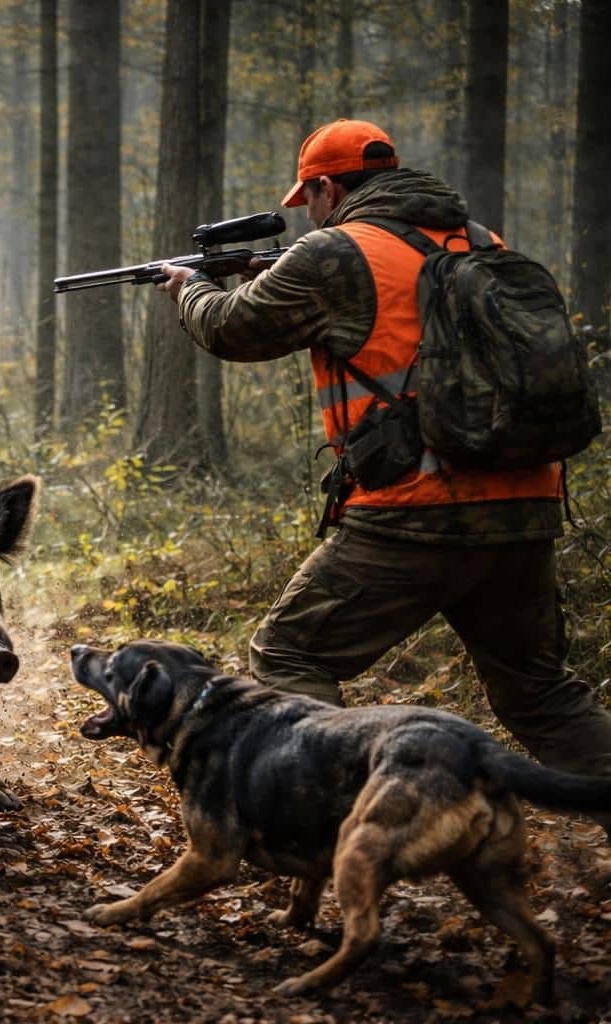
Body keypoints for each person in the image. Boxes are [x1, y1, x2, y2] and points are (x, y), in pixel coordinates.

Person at [154, 118, 611, 798]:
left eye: (307, 199)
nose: (306, 213)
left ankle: (348, 814)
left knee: (290, 652)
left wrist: (187, 288)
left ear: (327, 187)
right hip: (524, 503)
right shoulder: (480, 240)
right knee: (541, 694)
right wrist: (273, 272)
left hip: (413, 511)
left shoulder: (334, 252)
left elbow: (232, 329)